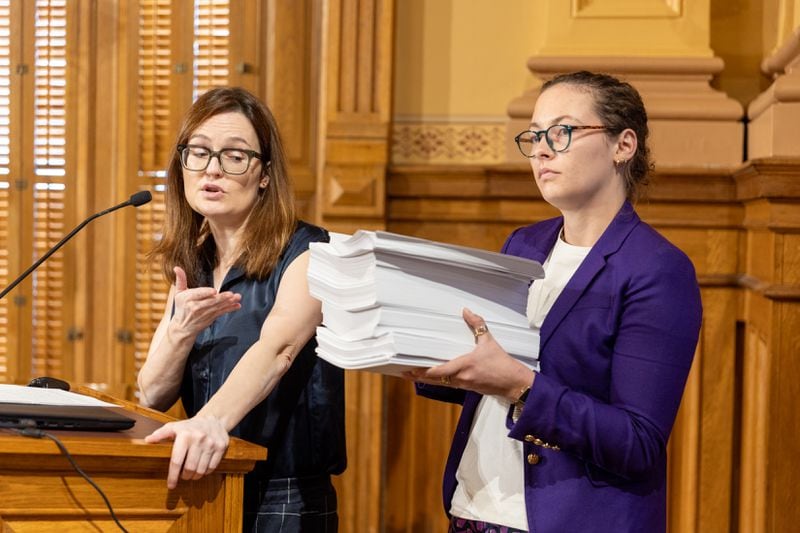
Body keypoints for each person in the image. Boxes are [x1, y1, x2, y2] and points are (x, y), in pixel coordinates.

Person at [410, 71, 702, 532]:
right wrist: (420, 355)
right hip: (474, 510)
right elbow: (492, 370)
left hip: (566, 519)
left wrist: (521, 388)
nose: (541, 149)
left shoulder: (657, 269)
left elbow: (638, 442)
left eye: (561, 132)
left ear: (623, 145)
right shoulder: (523, 244)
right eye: (534, 136)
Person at [137, 86, 346, 532]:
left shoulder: (310, 250)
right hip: (208, 480)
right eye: (199, 152)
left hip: (284, 493)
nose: (212, 169)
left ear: (265, 173)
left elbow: (279, 349)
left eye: (234, 156)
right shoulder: (193, 259)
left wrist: (210, 421)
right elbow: (152, 395)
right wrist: (179, 331)